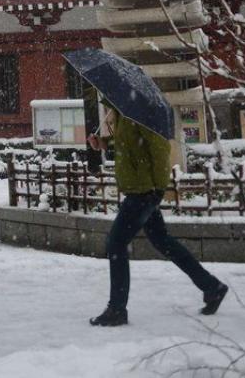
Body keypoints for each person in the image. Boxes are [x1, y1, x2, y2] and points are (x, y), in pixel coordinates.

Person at [88, 103, 228, 327]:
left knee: (116, 243)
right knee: (163, 241)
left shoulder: (141, 113)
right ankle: (212, 287)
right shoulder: (124, 115)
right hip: (140, 189)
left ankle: (117, 309)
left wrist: (155, 190)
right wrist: (103, 144)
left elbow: (159, 148)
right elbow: (128, 145)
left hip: (144, 191)